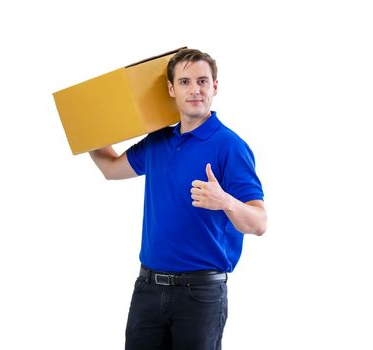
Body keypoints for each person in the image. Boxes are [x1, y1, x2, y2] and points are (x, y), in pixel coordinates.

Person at [89, 48, 267, 350]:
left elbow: (259, 222)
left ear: (215, 87)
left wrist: (225, 201)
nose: (194, 89)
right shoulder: (158, 142)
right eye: (184, 82)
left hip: (200, 294)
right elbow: (110, 168)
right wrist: (90, 131)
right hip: (147, 288)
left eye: (202, 81)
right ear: (171, 89)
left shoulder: (230, 146)